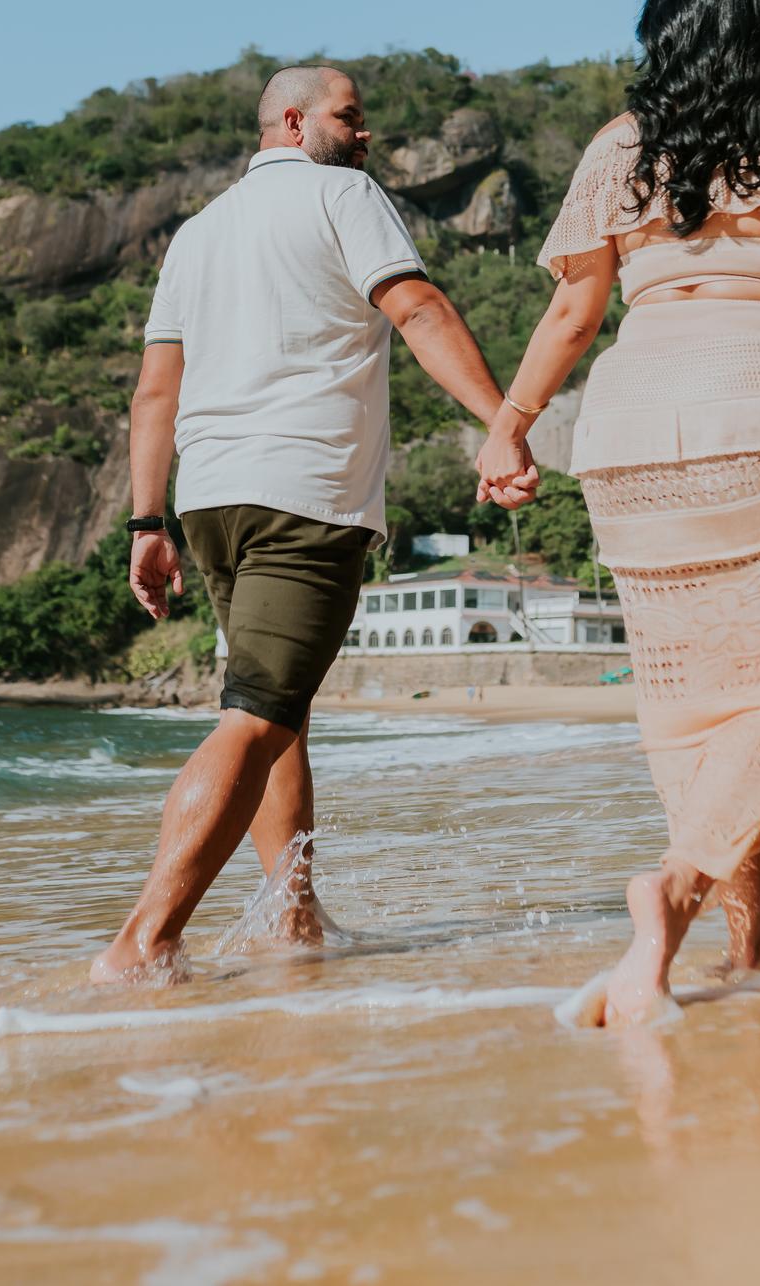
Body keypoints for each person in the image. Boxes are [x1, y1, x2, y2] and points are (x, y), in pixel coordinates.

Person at [477, 0, 760, 1025]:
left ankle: (746, 946)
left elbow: (573, 314)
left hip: (627, 431)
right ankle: (671, 888)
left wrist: (510, 426)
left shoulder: (622, 149)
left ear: (661, 38)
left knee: (686, 697)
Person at [91, 64, 536, 982]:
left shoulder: (198, 234)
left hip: (211, 501)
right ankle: (145, 940)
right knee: (255, 717)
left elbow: (154, 393)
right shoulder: (343, 194)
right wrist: (503, 423)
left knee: (277, 711)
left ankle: (290, 919)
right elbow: (415, 306)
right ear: (293, 121)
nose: (365, 133)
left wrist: (147, 521)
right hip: (305, 495)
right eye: (352, 115)